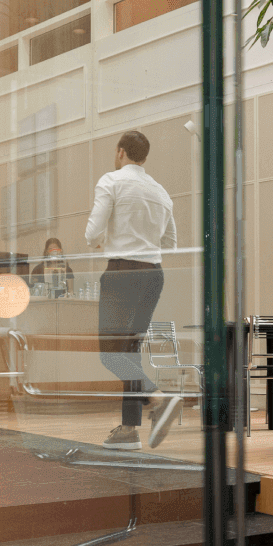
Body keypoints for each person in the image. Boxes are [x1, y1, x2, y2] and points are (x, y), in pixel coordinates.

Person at [84, 130, 182, 450]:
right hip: (153, 275)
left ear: (121, 152)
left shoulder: (111, 181)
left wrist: (99, 239)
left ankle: (158, 397)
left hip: (122, 273)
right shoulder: (161, 192)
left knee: (110, 354)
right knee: (129, 351)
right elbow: (170, 242)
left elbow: (92, 232)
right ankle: (129, 429)